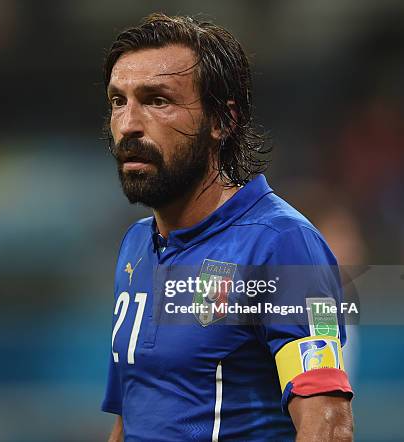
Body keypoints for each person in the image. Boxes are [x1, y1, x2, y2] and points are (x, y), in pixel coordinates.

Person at [101, 13, 353, 441]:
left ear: (223, 120)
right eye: (118, 101)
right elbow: (131, 420)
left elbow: (327, 426)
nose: (129, 124)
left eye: (158, 100)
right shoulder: (136, 247)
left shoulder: (283, 246)